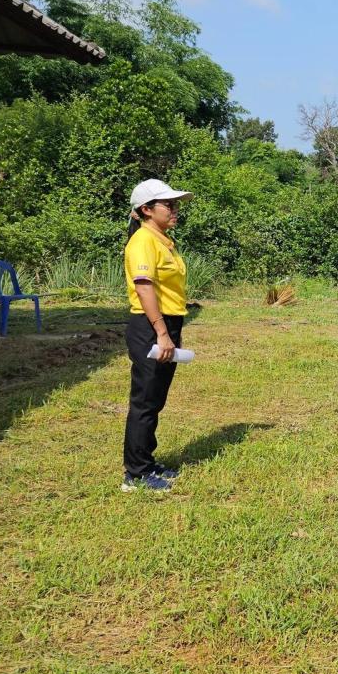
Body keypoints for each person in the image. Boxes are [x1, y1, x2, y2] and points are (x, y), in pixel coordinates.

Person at [122, 178, 194, 493]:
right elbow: (144, 287)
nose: (175, 209)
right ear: (147, 209)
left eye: (175, 204)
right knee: (145, 400)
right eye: (169, 204)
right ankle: (135, 474)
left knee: (155, 398)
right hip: (151, 326)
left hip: (166, 325)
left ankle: (146, 462)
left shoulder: (162, 240)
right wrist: (162, 333)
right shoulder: (142, 242)